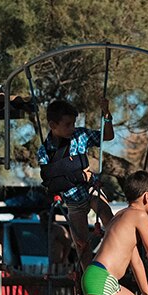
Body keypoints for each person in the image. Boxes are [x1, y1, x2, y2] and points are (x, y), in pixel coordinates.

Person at [37, 98, 115, 264]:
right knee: (82, 246)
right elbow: (50, 181)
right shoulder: (45, 151)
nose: (72, 128)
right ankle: (87, 282)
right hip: (73, 200)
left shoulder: (81, 135)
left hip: (90, 190)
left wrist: (106, 115)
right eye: (67, 124)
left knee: (111, 223)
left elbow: (107, 136)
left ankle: (114, 258)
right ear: (53, 125)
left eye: (73, 123)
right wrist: (77, 176)